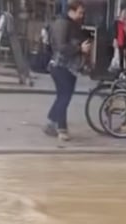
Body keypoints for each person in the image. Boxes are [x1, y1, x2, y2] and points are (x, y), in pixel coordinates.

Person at [46, 0, 91, 142]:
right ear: (71, 11)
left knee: (63, 97)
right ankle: (57, 126)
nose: (82, 15)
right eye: (80, 12)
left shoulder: (72, 24)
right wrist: (80, 48)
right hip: (60, 66)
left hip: (69, 67)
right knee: (65, 97)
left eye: (83, 12)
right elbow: (61, 47)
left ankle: (55, 125)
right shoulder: (62, 23)